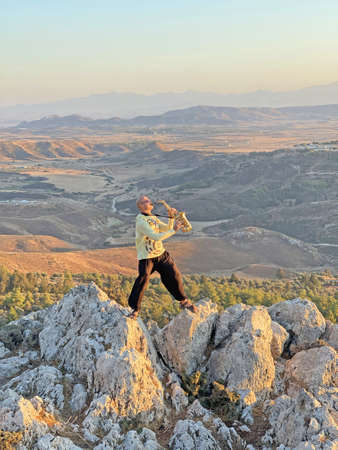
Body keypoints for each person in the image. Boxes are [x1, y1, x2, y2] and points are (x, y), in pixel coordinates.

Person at [127, 195, 197, 319]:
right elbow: (156, 236)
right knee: (143, 280)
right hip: (147, 257)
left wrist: (171, 217)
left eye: (148, 200)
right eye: (146, 201)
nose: (150, 201)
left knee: (174, 275)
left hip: (161, 254)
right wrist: (174, 230)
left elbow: (165, 228)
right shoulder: (141, 221)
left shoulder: (152, 217)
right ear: (141, 206)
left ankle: (183, 301)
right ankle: (135, 309)